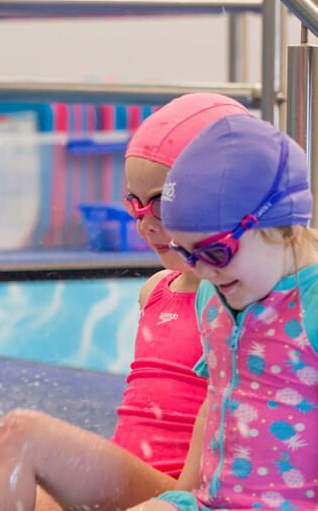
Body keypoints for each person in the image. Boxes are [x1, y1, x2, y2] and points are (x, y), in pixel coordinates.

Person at [0, 94, 250, 511]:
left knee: (17, 435)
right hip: (129, 483)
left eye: (162, 203)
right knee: (26, 491)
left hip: (174, 496)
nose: (145, 224)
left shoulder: (240, 308)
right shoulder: (156, 290)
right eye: (134, 204)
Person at [133, 114, 318, 510]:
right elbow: (217, 396)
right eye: (186, 253)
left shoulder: (312, 304)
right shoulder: (213, 295)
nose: (200, 270)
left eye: (216, 251)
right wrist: (180, 495)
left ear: (284, 225)